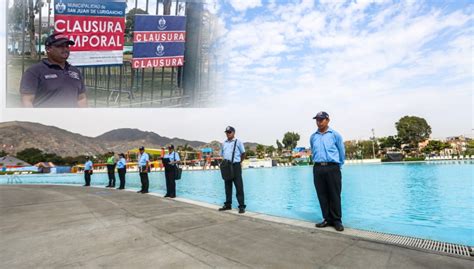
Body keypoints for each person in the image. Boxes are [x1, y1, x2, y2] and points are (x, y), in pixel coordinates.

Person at [19, 33, 88, 108]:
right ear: (48, 49)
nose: (65, 49)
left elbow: (81, 99)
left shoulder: (75, 71)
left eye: (67, 46)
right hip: (46, 119)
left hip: (71, 118)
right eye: (60, 46)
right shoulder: (34, 72)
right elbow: (27, 101)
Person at [310, 111, 346, 232]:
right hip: (318, 168)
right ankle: (327, 218)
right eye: (317, 120)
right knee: (322, 195)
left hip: (332, 167)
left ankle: (337, 220)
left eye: (321, 119)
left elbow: (341, 152)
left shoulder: (335, 135)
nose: (319, 122)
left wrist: (337, 166)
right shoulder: (313, 137)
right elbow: (313, 152)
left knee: (334, 194)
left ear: (327, 120)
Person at [219, 126, 246, 214]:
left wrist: (238, 162)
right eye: (226, 132)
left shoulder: (238, 142)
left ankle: (241, 206)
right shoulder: (224, 143)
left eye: (229, 132)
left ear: (233, 133)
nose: (228, 133)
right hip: (227, 166)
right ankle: (228, 205)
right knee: (227, 186)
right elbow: (222, 154)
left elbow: (243, 153)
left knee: (239, 186)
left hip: (236, 166)